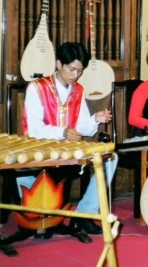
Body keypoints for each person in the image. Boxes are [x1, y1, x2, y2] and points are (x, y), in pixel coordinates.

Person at [21, 42, 118, 235]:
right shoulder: (37, 88)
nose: (76, 75)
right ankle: (41, 215)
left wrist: (95, 119)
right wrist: (63, 132)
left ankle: (84, 213)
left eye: (80, 71)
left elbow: (81, 127)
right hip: (40, 147)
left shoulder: (78, 90)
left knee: (111, 157)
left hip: (68, 148)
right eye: (72, 69)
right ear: (59, 64)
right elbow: (33, 129)